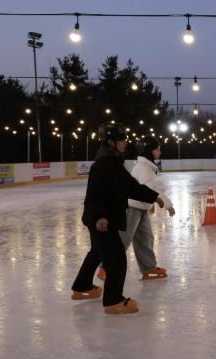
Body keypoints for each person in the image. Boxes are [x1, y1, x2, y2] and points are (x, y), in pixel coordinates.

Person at [71, 123, 164, 314]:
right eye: (121, 140)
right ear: (111, 142)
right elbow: (94, 194)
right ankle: (113, 301)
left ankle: (82, 287)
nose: (125, 143)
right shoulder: (103, 165)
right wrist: (99, 217)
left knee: (97, 253)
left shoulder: (113, 163)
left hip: (102, 218)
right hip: (102, 220)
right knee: (117, 260)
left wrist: (154, 197)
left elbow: (132, 187)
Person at [96, 136, 176, 282]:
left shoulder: (146, 167)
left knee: (145, 238)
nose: (159, 152)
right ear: (148, 151)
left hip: (140, 208)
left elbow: (147, 189)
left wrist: (150, 204)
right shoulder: (144, 168)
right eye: (157, 149)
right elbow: (151, 189)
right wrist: (167, 205)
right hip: (131, 208)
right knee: (123, 239)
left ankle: (149, 268)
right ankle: (105, 268)